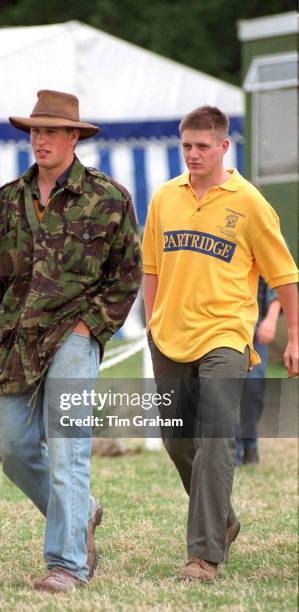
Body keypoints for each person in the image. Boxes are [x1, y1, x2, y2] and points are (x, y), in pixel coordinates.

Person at [0, 90, 141, 593]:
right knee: (12, 448)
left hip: (74, 334)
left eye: (50, 131)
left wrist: (90, 327)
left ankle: (67, 565)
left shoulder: (108, 197)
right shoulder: (5, 199)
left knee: (68, 450)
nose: (39, 140)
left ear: (74, 137)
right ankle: (82, 511)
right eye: (34, 131)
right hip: (16, 339)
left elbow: (127, 274)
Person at [142, 106, 298, 582]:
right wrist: (152, 325)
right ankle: (223, 519)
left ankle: (203, 555)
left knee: (214, 436)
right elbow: (150, 266)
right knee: (177, 440)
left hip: (226, 335)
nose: (192, 154)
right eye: (186, 145)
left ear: (224, 147)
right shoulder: (165, 198)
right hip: (169, 336)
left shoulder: (249, 203)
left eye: (202, 146)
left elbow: (285, 276)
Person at [236, 277, 280, 465]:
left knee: (253, 386)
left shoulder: (265, 246)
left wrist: (271, 320)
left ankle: (250, 443)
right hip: (223, 328)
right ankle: (234, 452)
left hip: (254, 328)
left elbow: (278, 281)